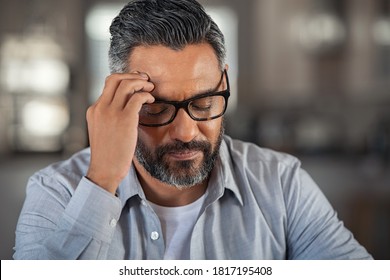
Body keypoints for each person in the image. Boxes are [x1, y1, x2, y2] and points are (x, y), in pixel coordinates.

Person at [14, 0, 372, 260]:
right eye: (156, 108)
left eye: (203, 103)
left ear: (225, 82)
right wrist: (103, 179)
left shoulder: (281, 183)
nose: (186, 132)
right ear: (116, 102)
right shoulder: (56, 192)